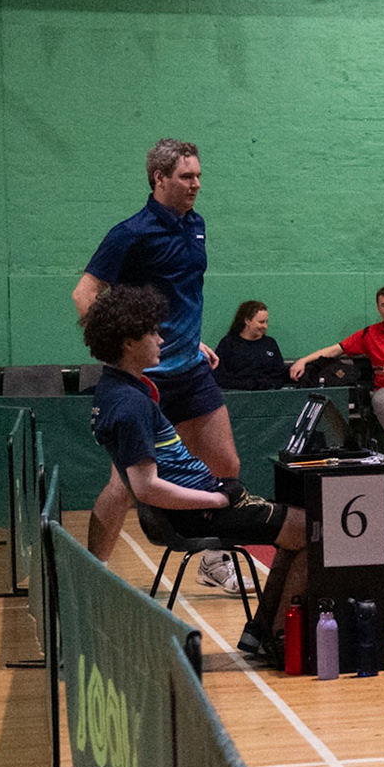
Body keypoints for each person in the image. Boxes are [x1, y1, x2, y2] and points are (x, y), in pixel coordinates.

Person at [82, 285, 306, 666]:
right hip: (197, 513)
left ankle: (264, 632)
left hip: (200, 501)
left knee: (297, 527)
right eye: (153, 332)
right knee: (313, 531)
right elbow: (146, 487)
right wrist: (215, 499)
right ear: (128, 343)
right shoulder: (131, 404)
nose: (161, 339)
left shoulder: (115, 388)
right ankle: (282, 641)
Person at [74, 139, 244, 590]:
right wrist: (123, 353)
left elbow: (181, 295)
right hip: (144, 380)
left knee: (225, 462)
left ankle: (213, 560)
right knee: (124, 487)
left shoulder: (196, 225)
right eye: (187, 176)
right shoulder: (130, 233)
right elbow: (85, 295)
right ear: (159, 178)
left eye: (199, 175)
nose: (196, 184)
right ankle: (92, 574)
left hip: (191, 371)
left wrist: (191, 339)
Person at [290, 287, 384, 473]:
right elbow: (336, 349)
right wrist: (303, 360)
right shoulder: (369, 334)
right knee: (380, 401)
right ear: (378, 308)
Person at [215, 300, 290, 392]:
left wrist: (266, 385)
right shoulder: (228, 344)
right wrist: (248, 385)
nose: (265, 326)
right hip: (236, 395)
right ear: (247, 321)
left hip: (267, 395)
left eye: (266, 322)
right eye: (261, 322)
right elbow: (220, 377)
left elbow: (279, 375)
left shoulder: (270, 344)